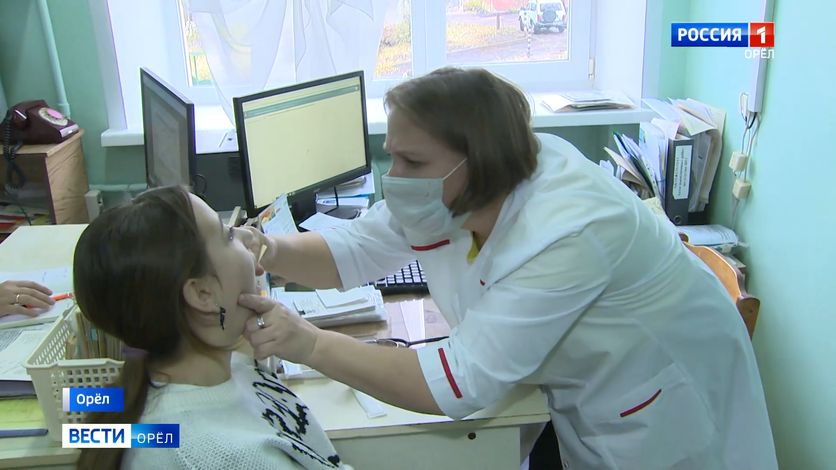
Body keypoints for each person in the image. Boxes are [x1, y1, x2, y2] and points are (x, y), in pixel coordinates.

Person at [238, 67, 777, 469]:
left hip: (663, 404)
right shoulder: (456, 189)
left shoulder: (567, 230)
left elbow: (456, 384)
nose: (393, 176)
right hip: (587, 393)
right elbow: (355, 249)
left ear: (478, 161)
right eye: (392, 154)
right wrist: (265, 249)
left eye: (412, 161)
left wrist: (309, 343)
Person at [72, 186, 347, 469]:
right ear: (203, 294)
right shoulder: (220, 456)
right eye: (228, 235)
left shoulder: (224, 367)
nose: (247, 238)